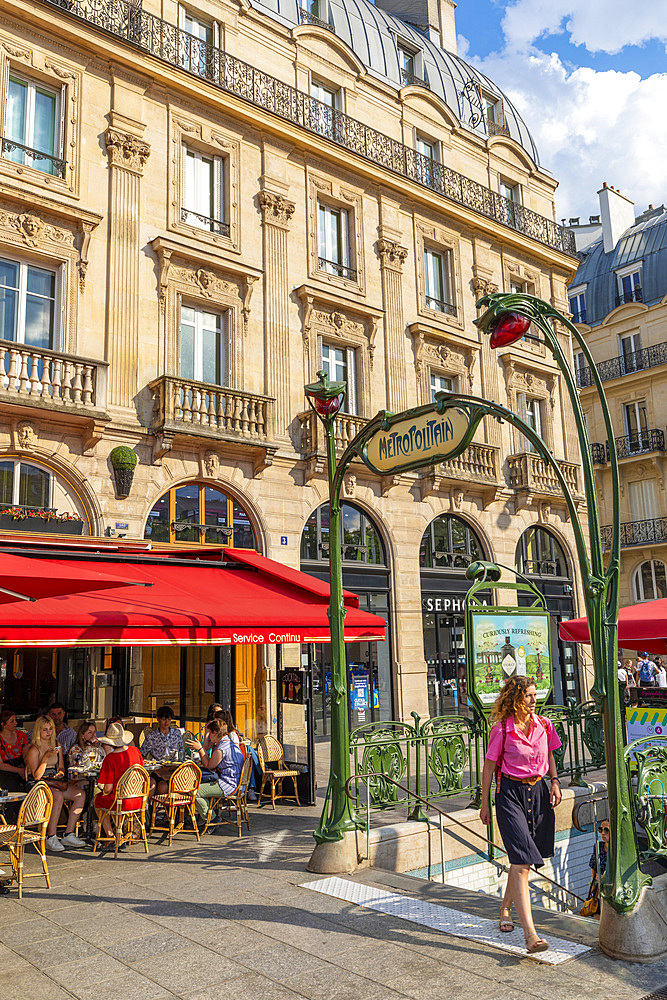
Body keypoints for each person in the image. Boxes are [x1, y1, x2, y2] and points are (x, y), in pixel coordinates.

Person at [480, 676, 562, 954]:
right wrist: (483, 804)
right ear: (515, 698)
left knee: (520, 861)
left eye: (534, 694)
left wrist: (554, 781)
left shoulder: (544, 725)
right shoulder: (501, 729)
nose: (533, 699)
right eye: (528, 695)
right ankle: (531, 936)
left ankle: (505, 908)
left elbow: (550, 755)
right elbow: (489, 768)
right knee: (523, 861)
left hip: (538, 792)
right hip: (510, 795)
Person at [25, 716, 86, 852]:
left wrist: (61, 773)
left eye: (50, 729)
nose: (48, 732)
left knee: (80, 794)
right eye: (45, 730)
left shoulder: (56, 743)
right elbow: (36, 776)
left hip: (54, 780)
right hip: (39, 782)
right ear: (38, 731)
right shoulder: (34, 749)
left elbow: (62, 768)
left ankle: (68, 833)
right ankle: (51, 836)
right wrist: (46, 757)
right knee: (57, 796)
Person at [94, 722, 144, 840]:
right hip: (138, 799)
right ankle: (119, 832)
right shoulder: (135, 751)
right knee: (112, 797)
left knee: (98, 799)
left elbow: (107, 789)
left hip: (121, 802)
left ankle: (111, 834)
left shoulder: (110, 758)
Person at [188, 719, 244, 823]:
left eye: (209, 733)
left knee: (194, 791)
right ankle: (206, 815)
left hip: (228, 785)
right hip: (237, 783)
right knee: (203, 783)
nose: (209, 736)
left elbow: (209, 766)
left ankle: (212, 818)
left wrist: (200, 749)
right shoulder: (229, 744)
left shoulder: (221, 748)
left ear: (214, 733)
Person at [141, 705, 184, 797]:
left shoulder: (176, 734)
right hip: (158, 770)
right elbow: (142, 753)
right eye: (164, 719)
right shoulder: (152, 736)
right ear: (158, 719)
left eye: (168, 719)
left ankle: (176, 809)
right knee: (162, 787)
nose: (166, 722)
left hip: (174, 769)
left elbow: (181, 750)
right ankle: (152, 809)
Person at [0, 709, 28, 792]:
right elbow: (0, 765)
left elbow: (26, 755)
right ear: (3, 724)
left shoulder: (21, 735)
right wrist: (18, 771)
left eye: (15, 720)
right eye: (12, 721)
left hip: (21, 764)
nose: (15, 723)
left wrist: (27, 769)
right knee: (11, 784)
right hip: (5, 769)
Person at [587, 820, 610, 920]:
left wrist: (604, 878)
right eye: (600, 830)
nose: (602, 833)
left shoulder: (618, 850)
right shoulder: (598, 846)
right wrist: (593, 883)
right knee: (597, 914)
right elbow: (593, 865)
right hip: (599, 888)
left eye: (606, 830)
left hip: (611, 889)